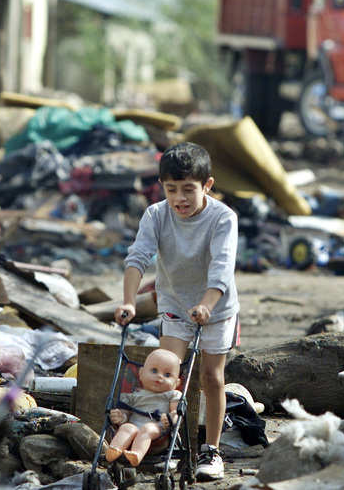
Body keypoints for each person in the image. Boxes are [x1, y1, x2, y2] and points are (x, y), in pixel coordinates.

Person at [114, 142, 239, 481]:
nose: (180, 199)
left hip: (217, 307)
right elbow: (138, 257)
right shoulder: (156, 215)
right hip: (173, 304)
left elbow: (222, 267)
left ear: (207, 186)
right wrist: (128, 300)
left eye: (188, 190)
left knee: (211, 378)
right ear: (162, 188)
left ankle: (211, 450)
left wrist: (207, 305)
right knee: (167, 377)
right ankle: (167, 446)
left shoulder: (223, 218)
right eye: (172, 190)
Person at [105, 349, 182, 466]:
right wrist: (121, 417)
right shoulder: (134, 394)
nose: (160, 377)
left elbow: (176, 412)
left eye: (167, 375)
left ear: (176, 383)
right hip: (134, 425)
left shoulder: (172, 394)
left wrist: (171, 419)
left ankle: (137, 454)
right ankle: (114, 450)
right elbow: (125, 412)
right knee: (126, 428)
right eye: (154, 371)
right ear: (141, 374)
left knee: (147, 429)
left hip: (158, 431)